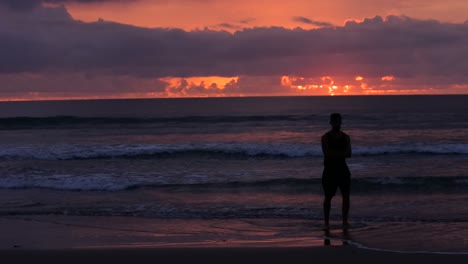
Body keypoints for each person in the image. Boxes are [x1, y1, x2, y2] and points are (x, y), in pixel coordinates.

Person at [321, 113, 351, 228]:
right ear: (331, 122)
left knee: (346, 196)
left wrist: (334, 154)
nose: (337, 123)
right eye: (335, 121)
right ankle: (326, 222)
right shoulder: (325, 137)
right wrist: (340, 154)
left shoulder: (346, 137)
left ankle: (344, 221)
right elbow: (326, 153)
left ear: (341, 122)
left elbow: (349, 154)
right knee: (328, 197)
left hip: (343, 170)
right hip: (329, 170)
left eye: (338, 121)